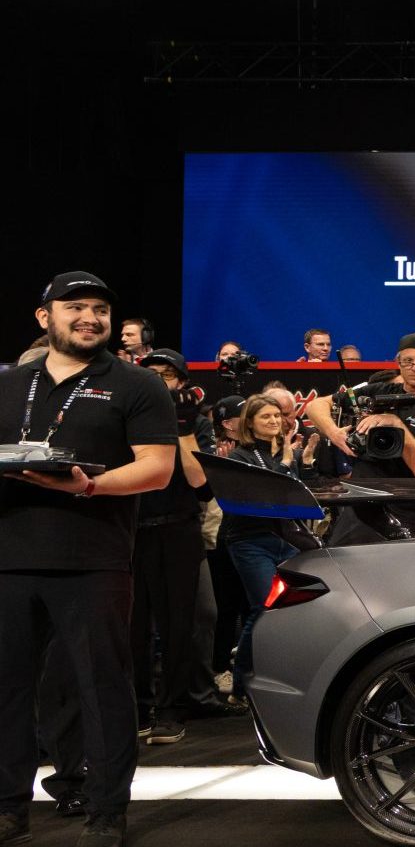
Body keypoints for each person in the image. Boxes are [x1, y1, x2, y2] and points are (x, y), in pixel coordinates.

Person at [0, 272, 176, 847]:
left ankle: (106, 812)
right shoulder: (9, 382)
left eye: (100, 309)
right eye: (75, 307)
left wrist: (88, 488)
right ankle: (8, 807)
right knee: (8, 690)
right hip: (10, 557)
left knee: (102, 688)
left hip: (94, 558)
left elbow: (157, 468)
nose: (90, 318)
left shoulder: (136, 384)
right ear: (43, 316)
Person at [128, 350, 229, 747]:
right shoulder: (126, 417)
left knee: (178, 625)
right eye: (151, 374)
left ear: (182, 383)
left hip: (179, 528)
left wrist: (181, 428)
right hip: (133, 529)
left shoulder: (196, 425)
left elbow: (201, 484)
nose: (159, 380)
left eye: (167, 375)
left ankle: (172, 709)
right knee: (132, 626)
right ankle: (138, 707)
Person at [208, 396, 318, 705]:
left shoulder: (288, 452)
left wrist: (305, 464)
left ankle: (284, 680)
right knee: (264, 610)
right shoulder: (240, 457)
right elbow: (262, 497)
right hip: (250, 540)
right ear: (250, 423)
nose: (273, 421)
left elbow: (301, 496)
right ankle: (241, 686)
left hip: (288, 540)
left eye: (276, 416)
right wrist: (285, 465)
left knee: (292, 612)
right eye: (264, 417)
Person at [303, 333, 415, 545]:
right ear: (398, 362)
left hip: (405, 507)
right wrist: (334, 432)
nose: (414, 367)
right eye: (407, 361)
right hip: (359, 503)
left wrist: (397, 425)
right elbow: (314, 406)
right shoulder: (379, 390)